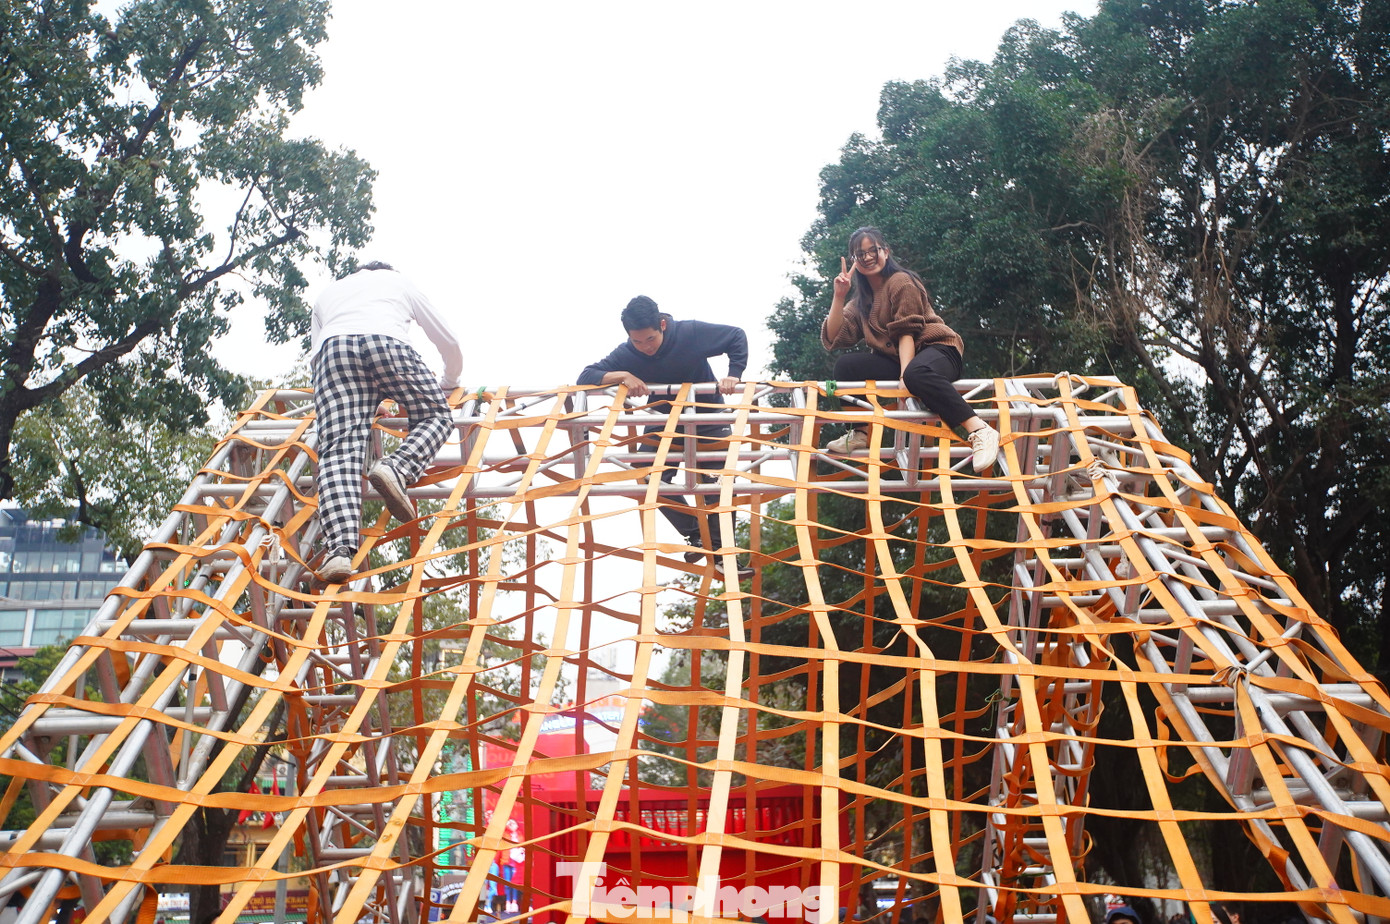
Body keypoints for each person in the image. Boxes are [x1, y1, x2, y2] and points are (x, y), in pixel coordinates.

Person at [577, 296, 753, 582]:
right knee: (646, 475)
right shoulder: (627, 353)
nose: (645, 347)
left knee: (719, 481)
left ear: (662, 325)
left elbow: (736, 336)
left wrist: (734, 374)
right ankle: (697, 534)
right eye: (637, 342)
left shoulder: (689, 333)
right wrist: (623, 375)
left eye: (650, 339)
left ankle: (724, 555)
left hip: (706, 415)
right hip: (664, 420)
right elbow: (585, 376)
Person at [310, 261, 463, 583]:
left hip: (332, 352)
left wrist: (366, 401)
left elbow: (317, 353)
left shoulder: (328, 293)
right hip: (387, 342)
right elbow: (448, 341)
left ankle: (339, 552)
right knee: (436, 415)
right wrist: (449, 381)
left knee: (338, 452)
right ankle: (397, 467)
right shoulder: (399, 282)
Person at [820, 226, 1000, 473]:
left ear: (886, 251)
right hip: (902, 360)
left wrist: (905, 376)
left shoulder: (901, 281)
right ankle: (860, 432)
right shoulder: (860, 301)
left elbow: (907, 332)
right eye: (860, 254)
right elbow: (834, 337)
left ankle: (980, 430)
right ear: (854, 260)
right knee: (845, 366)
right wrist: (839, 296)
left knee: (916, 373)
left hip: (938, 350)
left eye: (873, 250)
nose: (868, 257)